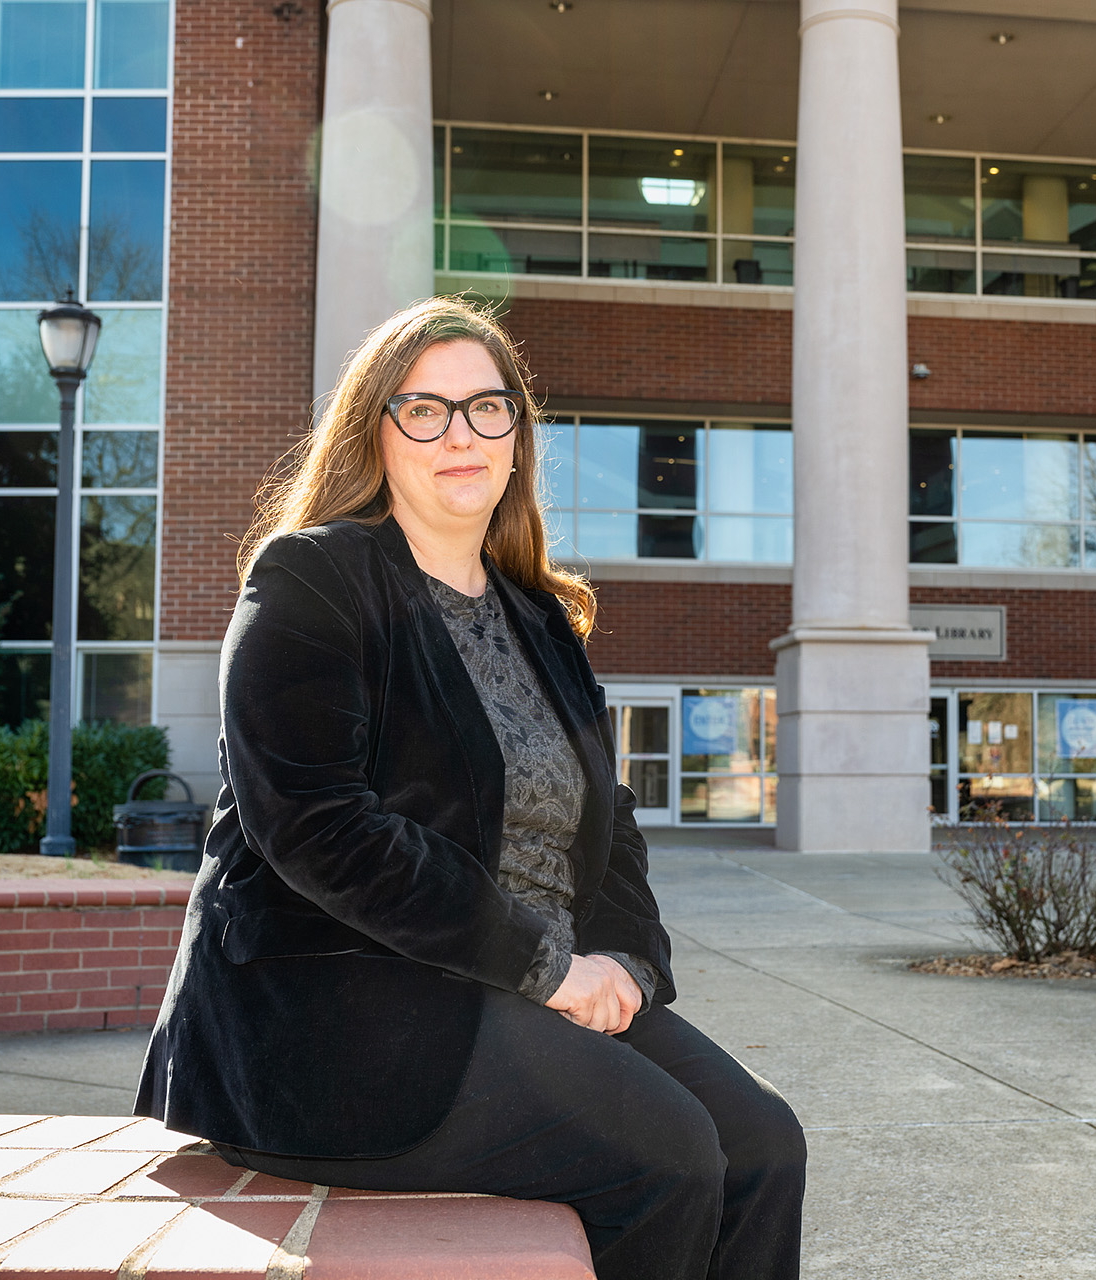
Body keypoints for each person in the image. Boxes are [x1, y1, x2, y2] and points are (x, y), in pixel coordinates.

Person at [134, 296, 806, 1280]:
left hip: (529, 994)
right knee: (669, 1155)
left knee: (764, 1144)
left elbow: (607, 820)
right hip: (341, 1015)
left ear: (517, 437)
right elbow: (318, 826)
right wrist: (548, 965)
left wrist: (626, 960)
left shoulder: (539, 616)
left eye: (487, 408)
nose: (461, 434)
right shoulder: (312, 578)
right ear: (375, 432)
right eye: (425, 409)